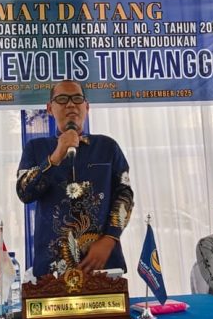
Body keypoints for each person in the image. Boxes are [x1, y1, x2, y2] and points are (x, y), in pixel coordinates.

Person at [16, 81, 134, 277]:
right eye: (62, 99)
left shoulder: (107, 147)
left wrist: (110, 238)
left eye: (77, 99)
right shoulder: (36, 149)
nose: (70, 104)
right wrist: (54, 157)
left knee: (108, 309)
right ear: (50, 109)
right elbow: (24, 192)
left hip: (102, 264)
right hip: (52, 270)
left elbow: (125, 195)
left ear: (86, 107)